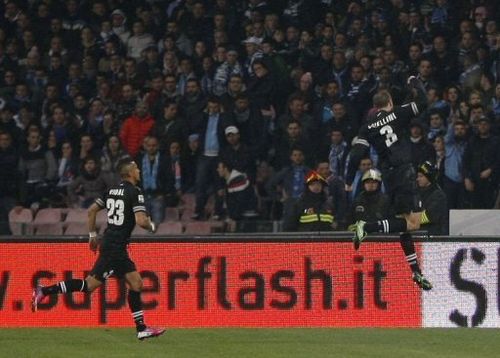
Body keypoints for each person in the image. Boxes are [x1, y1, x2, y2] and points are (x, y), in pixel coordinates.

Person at [32, 160, 165, 340]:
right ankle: (44, 291)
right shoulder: (135, 192)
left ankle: (142, 328)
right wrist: (151, 225)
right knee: (90, 286)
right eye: (136, 168)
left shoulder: (111, 191)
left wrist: (92, 235)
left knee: (135, 283)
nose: (139, 171)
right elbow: (141, 221)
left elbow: (92, 210)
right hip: (115, 247)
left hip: (112, 243)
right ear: (130, 173)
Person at [346, 76, 433, 290]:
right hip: (404, 171)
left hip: (390, 177)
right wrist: (414, 83)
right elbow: (423, 102)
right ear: (390, 104)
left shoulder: (367, 127)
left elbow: (356, 155)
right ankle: (366, 227)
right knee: (414, 223)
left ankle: (415, 272)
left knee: (403, 226)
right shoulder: (397, 114)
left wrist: (349, 180)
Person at [416, 161, 449, 235]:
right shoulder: (418, 193)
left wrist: (411, 219)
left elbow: (429, 216)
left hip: (435, 237)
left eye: (421, 176)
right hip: (421, 234)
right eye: (418, 176)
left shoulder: (438, 195)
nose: (418, 179)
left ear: (429, 177)